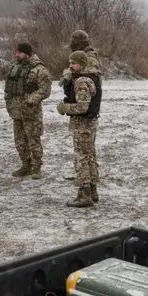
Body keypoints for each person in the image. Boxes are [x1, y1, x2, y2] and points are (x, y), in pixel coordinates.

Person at [56, 51, 101, 207]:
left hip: (83, 125)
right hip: (90, 124)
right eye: (70, 62)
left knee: (81, 158)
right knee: (90, 157)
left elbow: (82, 107)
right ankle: (93, 190)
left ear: (81, 64)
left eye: (73, 63)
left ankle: (84, 194)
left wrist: (65, 107)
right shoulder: (90, 77)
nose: (70, 65)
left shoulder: (82, 81)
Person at [4, 42, 52, 179]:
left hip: (31, 112)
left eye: (19, 52)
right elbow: (9, 88)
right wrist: (9, 103)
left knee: (33, 141)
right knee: (19, 142)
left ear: (26, 53)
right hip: (16, 112)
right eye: (16, 52)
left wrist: (32, 98)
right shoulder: (15, 67)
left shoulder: (39, 69)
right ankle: (26, 165)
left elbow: (45, 90)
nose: (16, 55)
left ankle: (36, 168)